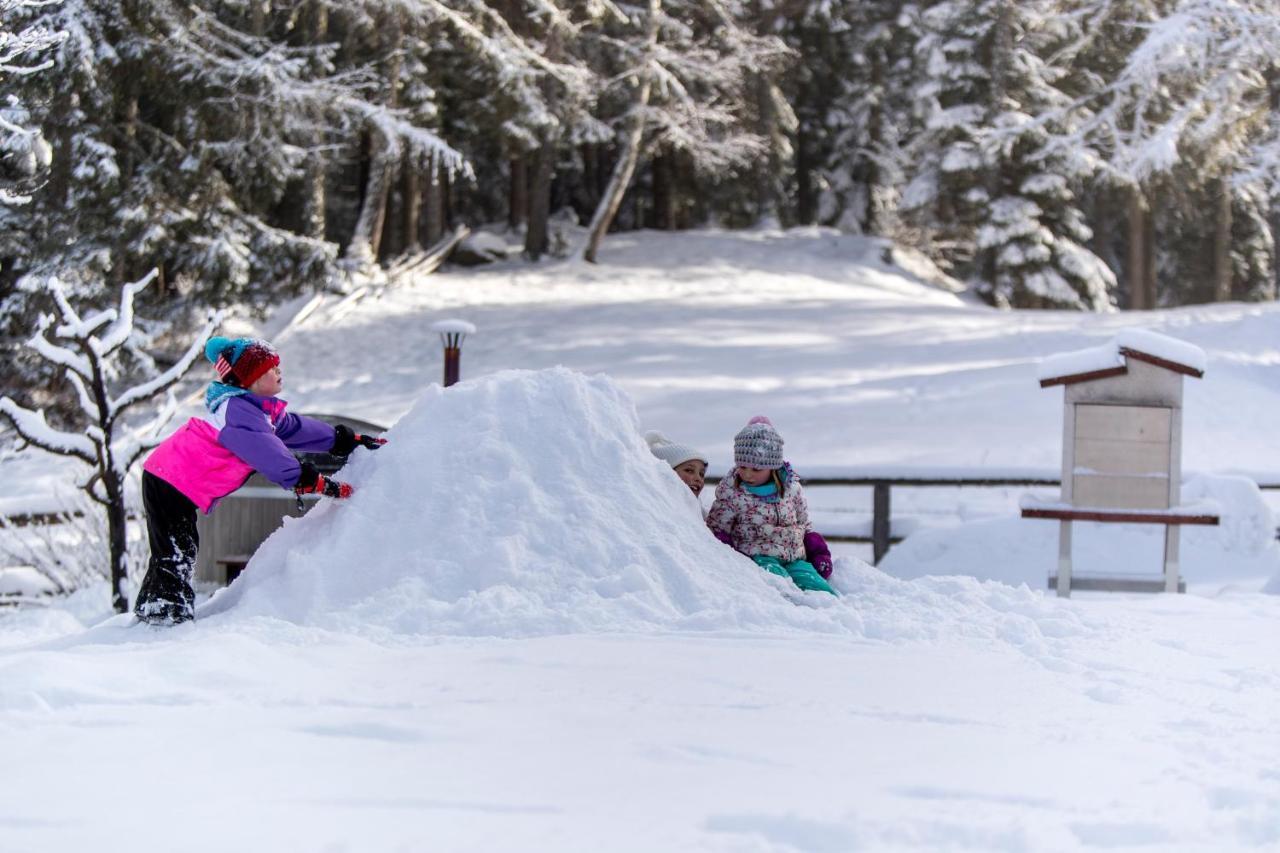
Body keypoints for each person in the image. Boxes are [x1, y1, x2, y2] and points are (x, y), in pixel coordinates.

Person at [133, 336, 386, 624]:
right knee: (177, 548)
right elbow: (270, 455)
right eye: (270, 368)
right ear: (250, 380)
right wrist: (312, 481)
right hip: (170, 479)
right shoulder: (238, 414)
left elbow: (297, 429)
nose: (279, 371)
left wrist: (343, 440)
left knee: (176, 546)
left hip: (170, 477)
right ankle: (165, 616)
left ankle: (153, 609)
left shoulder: (256, 411)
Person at [706, 416, 836, 595]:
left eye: (756, 469)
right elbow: (717, 526)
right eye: (742, 467)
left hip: (794, 558)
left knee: (818, 589)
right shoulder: (733, 491)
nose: (748, 474)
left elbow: (804, 524)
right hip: (759, 557)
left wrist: (817, 550)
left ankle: (825, 615)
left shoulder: (791, 488)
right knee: (778, 587)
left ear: (773, 467)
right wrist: (728, 556)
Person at [645, 430, 709, 499]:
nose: (698, 478)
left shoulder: (699, 509)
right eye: (689, 470)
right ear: (667, 472)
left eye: (701, 474)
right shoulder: (652, 507)